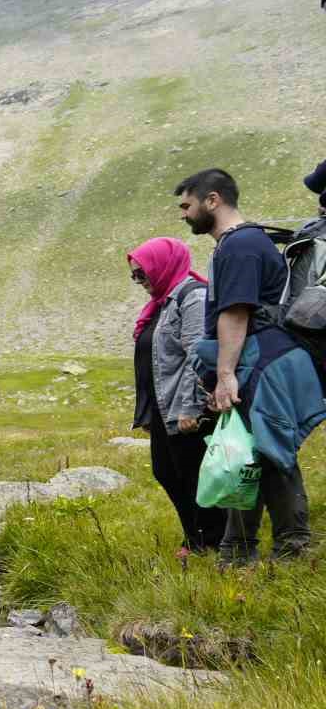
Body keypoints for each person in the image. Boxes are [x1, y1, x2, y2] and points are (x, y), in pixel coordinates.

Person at [176, 168, 311, 563]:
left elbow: (235, 313)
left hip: (261, 364)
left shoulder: (241, 246)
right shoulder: (237, 245)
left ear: (212, 200)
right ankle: (237, 551)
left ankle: (294, 550)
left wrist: (224, 376)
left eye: (187, 205)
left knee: (270, 452)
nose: (183, 214)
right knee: (244, 454)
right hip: (257, 362)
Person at [127, 237, 223, 555]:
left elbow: (197, 356)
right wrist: (145, 412)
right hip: (162, 406)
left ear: (162, 265)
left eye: (142, 273)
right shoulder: (160, 304)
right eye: (134, 276)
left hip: (184, 407)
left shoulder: (191, 297)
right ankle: (196, 535)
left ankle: (209, 539)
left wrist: (190, 407)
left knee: (194, 473)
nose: (139, 281)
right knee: (166, 471)